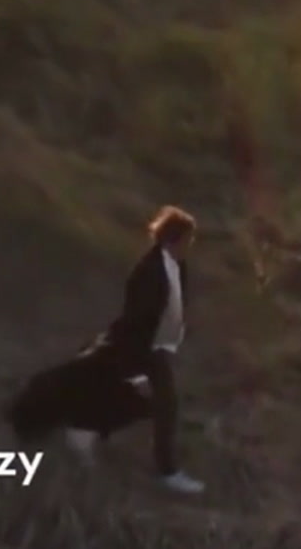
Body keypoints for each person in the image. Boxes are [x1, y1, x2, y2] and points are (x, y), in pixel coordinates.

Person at [80, 204, 205, 494]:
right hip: (141, 347)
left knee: (140, 399)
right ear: (174, 238)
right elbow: (136, 318)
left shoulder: (177, 266)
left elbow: (175, 305)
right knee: (164, 404)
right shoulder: (148, 270)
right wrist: (139, 363)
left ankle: (88, 431)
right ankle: (167, 472)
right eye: (188, 238)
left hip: (158, 347)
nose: (191, 245)